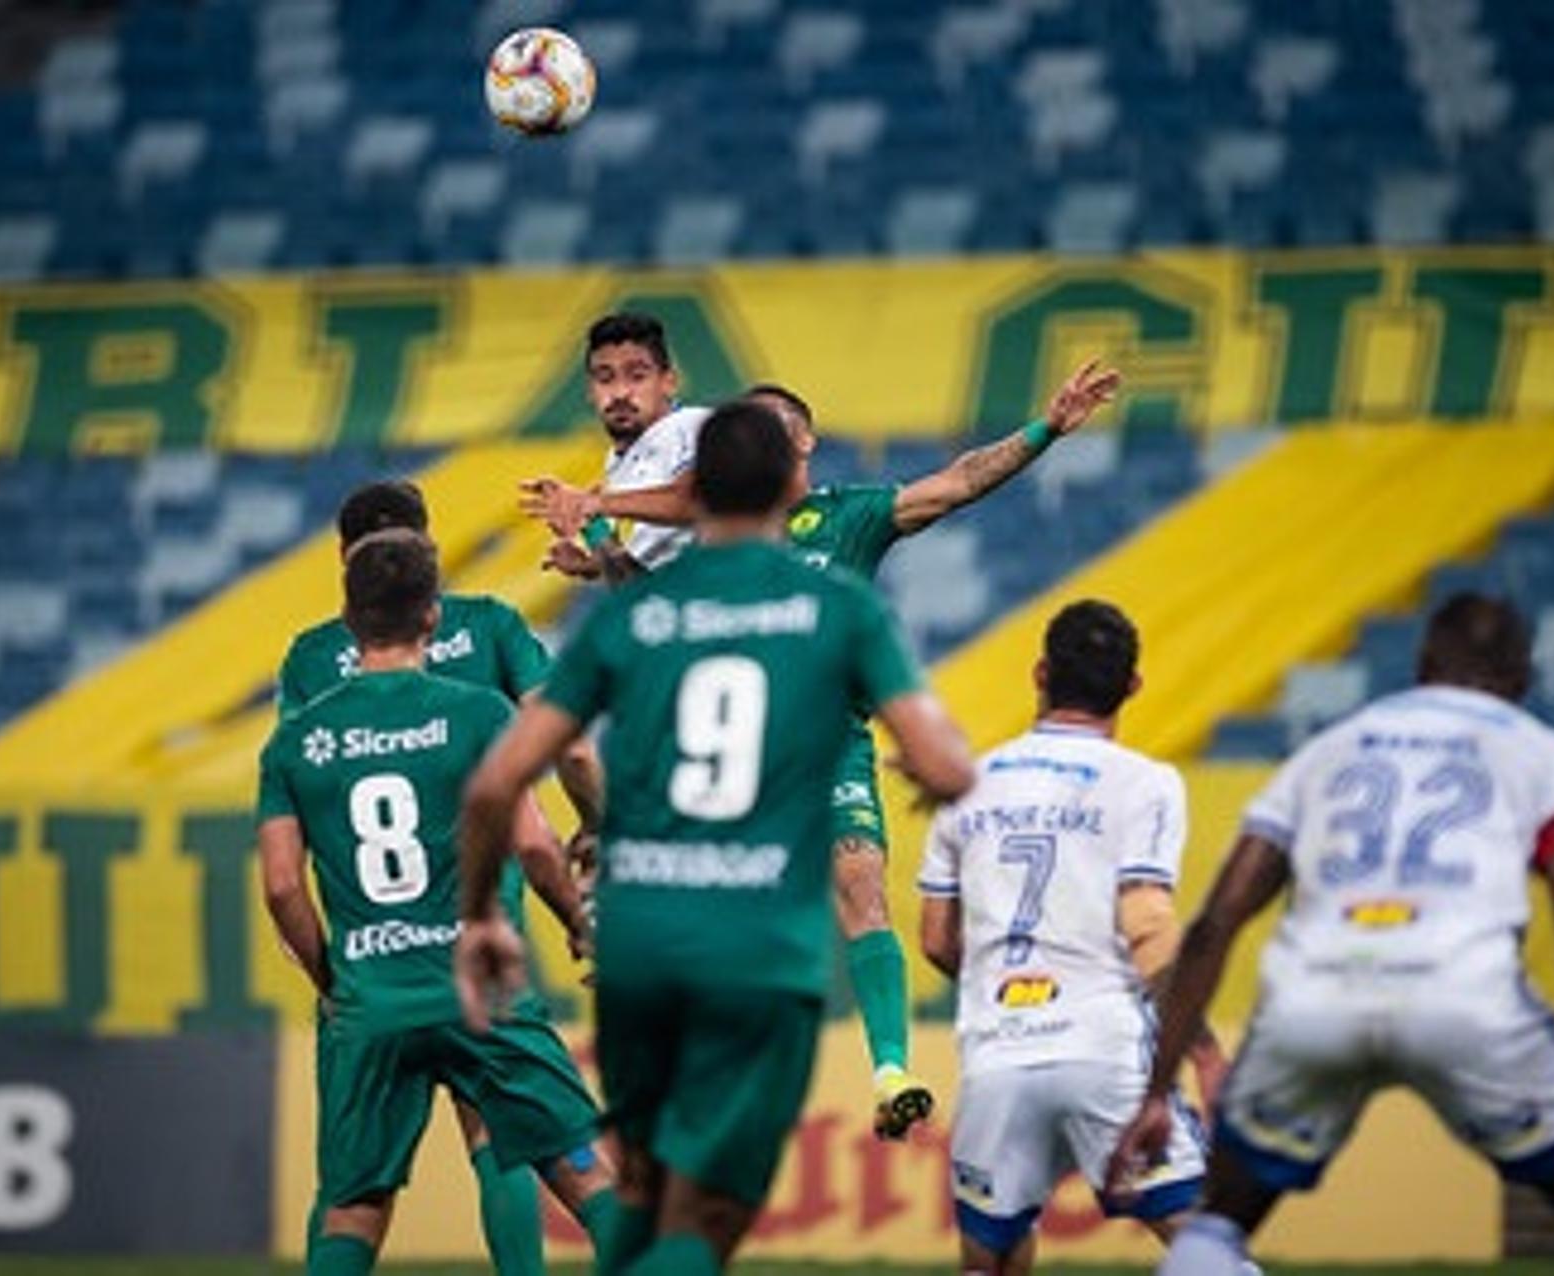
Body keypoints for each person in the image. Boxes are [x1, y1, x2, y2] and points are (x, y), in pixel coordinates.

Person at [521, 354, 1122, 1139]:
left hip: (826, 742)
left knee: (861, 886)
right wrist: (600, 546)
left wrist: (1046, 426)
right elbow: (644, 598)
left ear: (802, 443)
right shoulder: (705, 540)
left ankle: (891, 1069)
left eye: (770, 426)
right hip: (731, 759)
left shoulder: (848, 516)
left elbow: (959, 482)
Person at [458, 399, 976, 1274]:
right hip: (757, 950)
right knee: (712, 1213)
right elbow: (943, 761)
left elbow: (497, 781)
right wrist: (936, 778)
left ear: (692, 494)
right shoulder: (836, 607)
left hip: (642, 942)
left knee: (644, 1194)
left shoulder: (635, 613)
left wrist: (480, 919)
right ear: (789, 482)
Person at [1108, 593, 1554, 1276]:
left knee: (1218, 1221)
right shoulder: (1550, 758)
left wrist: (1156, 1091)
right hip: (1466, 999)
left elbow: (1214, 925)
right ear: (1524, 680)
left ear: (1421, 665)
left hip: (1314, 998)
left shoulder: (1324, 752)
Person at [259, 530, 619, 1275]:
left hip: (371, 1004)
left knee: (354, 1202)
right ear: (432, 616)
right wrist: (582, 927)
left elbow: (283, 885)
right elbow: (534, 845)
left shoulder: (296, 744)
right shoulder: (479, 713)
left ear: (350, 618)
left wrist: (336, 982)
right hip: (479, 992)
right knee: (581, 1171)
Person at [920, 599, 1238, 1276]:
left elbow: (936, 940)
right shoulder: (1146, 784)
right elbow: (1148, 926)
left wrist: (1001, 988)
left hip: (997, 1052)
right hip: (1104, 1046)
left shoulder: (965, 786)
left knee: (990, 1262)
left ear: (1039, 673)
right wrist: (1204, 1052)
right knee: (1201, 1245)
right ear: (1132, 686)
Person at [531, 312, 709, 585]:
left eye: (637, 376)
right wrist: (594, 543)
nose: (620, 392)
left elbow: (697, 500)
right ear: (590, 391)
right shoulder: (618, 462)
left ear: (668, 382)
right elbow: (635, 588)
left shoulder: (694, 426)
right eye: (605, 379)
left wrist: (593, 504)